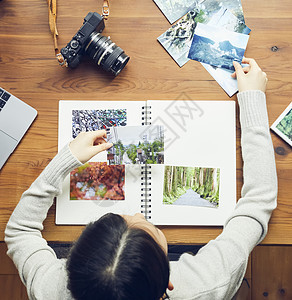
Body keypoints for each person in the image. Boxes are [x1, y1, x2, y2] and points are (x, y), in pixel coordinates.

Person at [5, 58, 277, 300]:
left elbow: (18, 231)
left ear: (68, 267)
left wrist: (68, 157)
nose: (137, 212)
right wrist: (252, 99)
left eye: (121, 218)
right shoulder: (203, 284)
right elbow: (257, 203)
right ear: (168, 284)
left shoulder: (50, 289)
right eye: (153, 230)